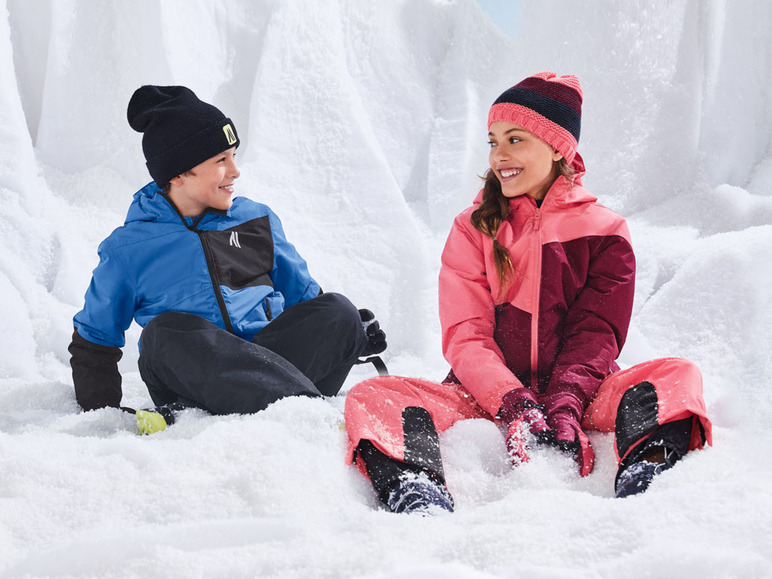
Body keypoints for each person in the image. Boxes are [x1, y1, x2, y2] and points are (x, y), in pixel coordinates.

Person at [343, 72, 712, 514]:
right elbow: (466, 335)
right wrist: (512, 402)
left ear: (559, 147)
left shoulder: (606, 232)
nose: (499, 155)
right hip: (483, 398)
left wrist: (566, 402)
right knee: (374, 395)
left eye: (515, 139)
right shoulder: (473, 227)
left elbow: (597, 332)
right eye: (493, 141)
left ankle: (646, 473)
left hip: (584, 394)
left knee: (677, 375)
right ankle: (416, 490)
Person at [69, 85, 386, 433]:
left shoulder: (255, 220)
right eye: (221, 160)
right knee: (165, 334)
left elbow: (308, 302)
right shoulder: (129, 250)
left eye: (234, 156)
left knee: (339, 310)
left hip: (277, 365)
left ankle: (288, 406)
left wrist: (354, 332)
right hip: (198, 383)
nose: (235, 171)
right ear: (177, 173)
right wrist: (102, 417)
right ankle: (309, 416)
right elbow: (95, 341)